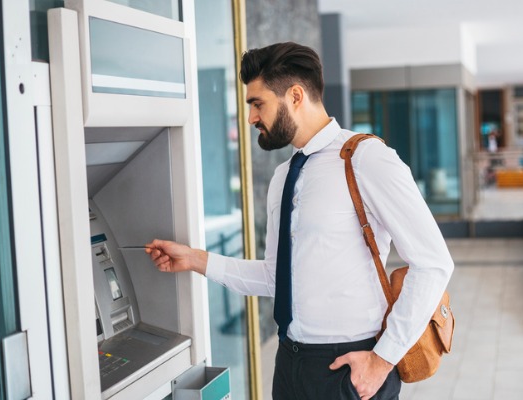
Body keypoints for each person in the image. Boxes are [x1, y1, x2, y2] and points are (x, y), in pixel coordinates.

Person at [145, 42, 454, 400]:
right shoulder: (282, 177)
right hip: (289, 363)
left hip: (350, 367)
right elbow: (276, 278)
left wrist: (382, 360)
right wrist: (196, 259)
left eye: (257, 103)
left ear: (294, 95)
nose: (250, 119)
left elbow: (433, 263)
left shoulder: (366, 158)